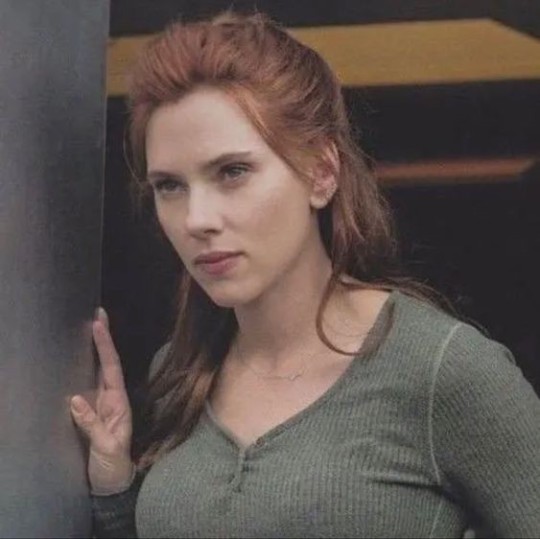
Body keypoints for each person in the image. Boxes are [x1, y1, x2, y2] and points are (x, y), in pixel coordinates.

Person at [70, 10, 540, 538]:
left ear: (321, 173)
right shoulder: (179, 372)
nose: (196, 219)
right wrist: (115, 491)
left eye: (233, 172)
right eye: (169, 186)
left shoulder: (441, 370)